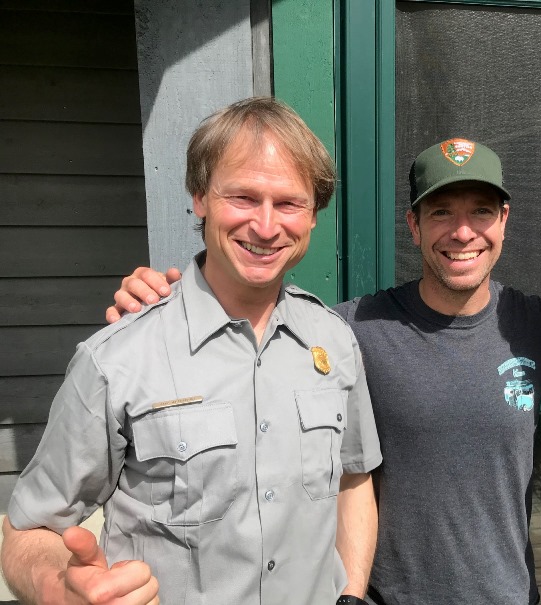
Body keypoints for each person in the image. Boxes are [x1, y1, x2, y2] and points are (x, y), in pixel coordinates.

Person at [106, 138, 541, 605]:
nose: (462, 231)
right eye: (442, 213)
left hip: (508, 594)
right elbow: (245, 330)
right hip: (383, 596)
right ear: (414, 224)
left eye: (481, 211)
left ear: (504, 221)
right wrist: (167, 296)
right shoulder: (348, 329)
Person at [1, 97, 382, 605]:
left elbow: (353, 479)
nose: (267, 227)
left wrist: (352, 595)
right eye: (243, 198)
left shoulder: (333, 340)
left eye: (289, 203)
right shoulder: (117, 359)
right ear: (200, 197)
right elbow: (28, 528)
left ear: (313, 216)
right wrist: (60, 590)